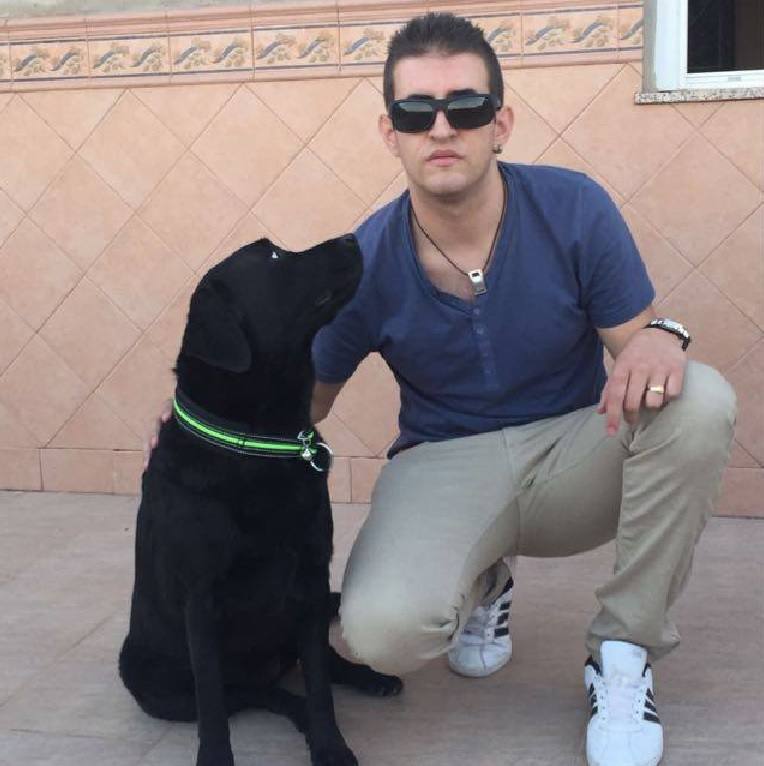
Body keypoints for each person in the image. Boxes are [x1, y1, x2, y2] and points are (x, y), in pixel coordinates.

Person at [147, 13, 737, 766]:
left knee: (697, 399)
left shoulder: (574, 207)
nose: (441, 128)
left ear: (501, 123)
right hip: (442, 464)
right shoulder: (366, 258)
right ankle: (482, 580)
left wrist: (661, 335)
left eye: (466, 106)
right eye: (415, 111)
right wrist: (201, 428)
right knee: (378, 635)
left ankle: (623, 653)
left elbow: (638, 352)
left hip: (575, 450)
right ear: (390, 134)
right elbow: (306, 405)